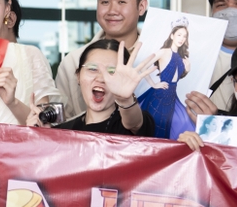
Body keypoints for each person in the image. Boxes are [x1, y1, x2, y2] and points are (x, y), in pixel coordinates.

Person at [56, 0, 148, 119]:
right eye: (105, 2)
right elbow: (61, 124)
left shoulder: (156, 60)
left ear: (141, 6)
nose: (112, 10)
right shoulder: (73, 61)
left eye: (121, 2)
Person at [27, 39, 156, 136]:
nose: (101, 78)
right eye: (93, 69)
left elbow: (134, 123)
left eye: (112, 72)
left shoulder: (134, 124)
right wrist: (43, 136)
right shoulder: (63, 131)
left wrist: (125, 100)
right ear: (78, 76)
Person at [137, 18, 194, 139]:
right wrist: (153, 84)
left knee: (165, 132)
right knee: (153, 130)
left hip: (171, 98)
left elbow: (176, 77)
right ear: (172, 35)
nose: (182, 38)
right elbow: (142, 66)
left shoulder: (180, 57)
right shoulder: (163, 52)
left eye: (184, 36)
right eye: (179, 35)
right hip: (158, 97)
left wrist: (187, 70)